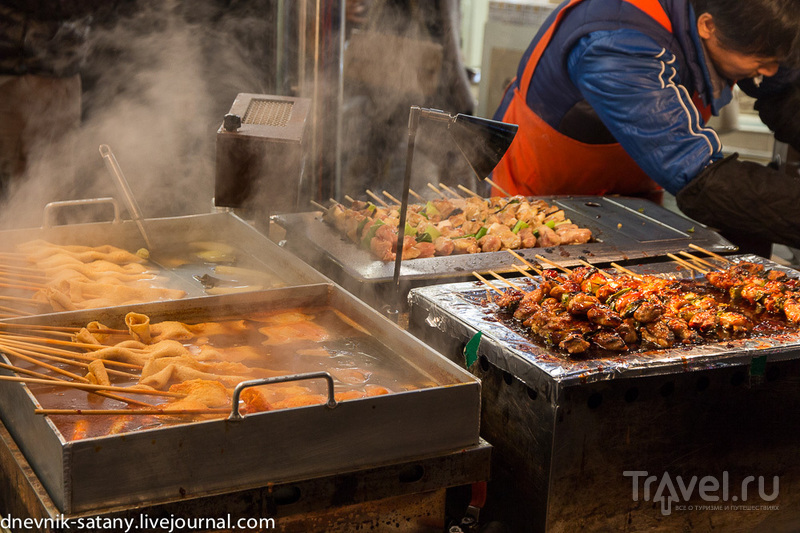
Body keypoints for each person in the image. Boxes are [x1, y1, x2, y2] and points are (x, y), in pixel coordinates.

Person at [491, 0, 800, 253]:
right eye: (761, 59)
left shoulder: (739, 23)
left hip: (627, 205)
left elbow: (783, 89)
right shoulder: (616, 40)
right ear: (708, 26)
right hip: (538, 205)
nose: (769, 69)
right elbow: (698, 176)